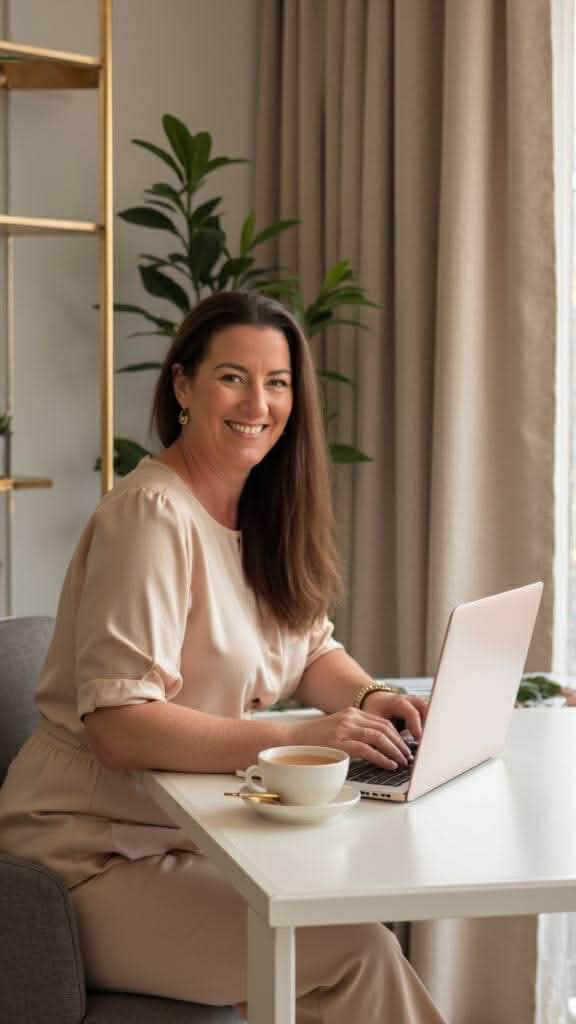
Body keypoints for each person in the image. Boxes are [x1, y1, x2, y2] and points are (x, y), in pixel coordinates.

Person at [0, 291, 447, 1023]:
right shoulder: (150, 518)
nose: (258, 403)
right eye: (232, 377)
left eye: (277, 383)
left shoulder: (263, 513)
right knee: (354, 950)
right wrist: (301, 736)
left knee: (348, 920)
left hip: (198, 833)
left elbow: (311, 649)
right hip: (87, 862)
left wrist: (369, 699)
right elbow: (119, 727)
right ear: (182, 385)